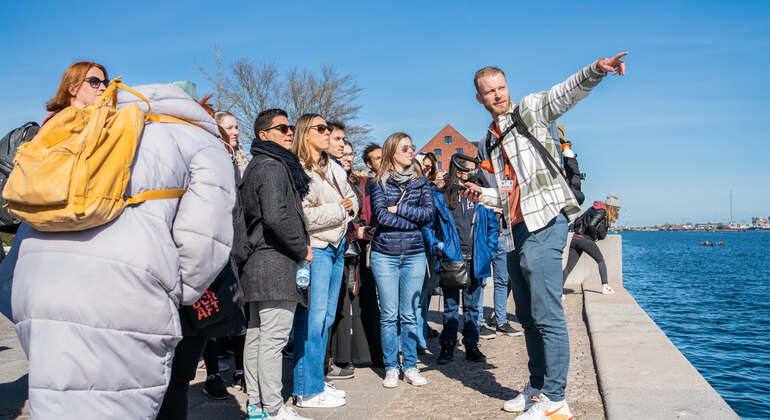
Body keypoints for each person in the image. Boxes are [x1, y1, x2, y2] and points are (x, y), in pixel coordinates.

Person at [8, 62, 236, 419]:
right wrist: (175, 292)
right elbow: (205, 238)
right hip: (128, 293)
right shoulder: (200, 140)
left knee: (54, 401)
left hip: (36, 287)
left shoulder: (84, 128)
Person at [462, 52, 628, 419]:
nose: (497, 95)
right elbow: (506, 193)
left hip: (546, 222)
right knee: (527, 314)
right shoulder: (488, 141)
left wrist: (596, 70)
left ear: (508, 87)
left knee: (547, 312)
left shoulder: (530, 110)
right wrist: (481, 195)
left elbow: (565, 92)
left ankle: (555, 400)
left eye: (501, 87)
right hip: (514, 228)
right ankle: (537, 387)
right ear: (480, 98)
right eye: (489, 92)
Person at [239, 108, 313, 419]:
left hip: (259, 262)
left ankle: (256, 405)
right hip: (275, 263)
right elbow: (276, 216)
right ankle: (272, 407)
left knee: (257, 337)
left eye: (291, 127)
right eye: (281, 128)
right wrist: (302, 249)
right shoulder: (272, 166)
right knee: (272, 340)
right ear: (263, 135)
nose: (289, 132)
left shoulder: (258, 164)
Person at [292, 113, 359, 408]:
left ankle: (317, 381)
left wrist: (344, 208)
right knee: (312, 320)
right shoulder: (300, 169)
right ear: (306, 133)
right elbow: (305, 216)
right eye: (321, 129)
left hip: (336, 247)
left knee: (327, 319)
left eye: (328, 129)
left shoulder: (333, 167)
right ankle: (306, 389)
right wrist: (339, 210)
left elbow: (353, 200)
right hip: (316, 248)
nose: (327, 133)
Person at [370, 132, 434, 388]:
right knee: (388, 315)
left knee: (409, 314)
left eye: (412, 146)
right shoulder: (378, 182)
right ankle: (390, 367)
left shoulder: (420, 182)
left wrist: (401, 209)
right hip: (384, 254)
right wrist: (411, 221)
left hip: (414, 254)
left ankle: (410, 366)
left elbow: (428, 215)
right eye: (405, 147)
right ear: (392, 152)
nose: (411, 151)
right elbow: (381, 217)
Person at [422, 157, 499, 365]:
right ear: (457, 170)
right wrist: (439, 247)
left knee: (474, 307)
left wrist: (489, 249)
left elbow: (493, 226)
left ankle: (471, 345)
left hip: (476, 258)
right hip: (451, 260)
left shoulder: (479, 195)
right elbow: (428, 227)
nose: (471, 174)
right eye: (467, 170)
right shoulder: (441, 196)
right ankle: (447, 346)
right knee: (450, 306)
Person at [476, 134, 523, 339]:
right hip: (486, 228)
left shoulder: (507, 170)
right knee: (481, 279)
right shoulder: (481, 166)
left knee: (502, 279)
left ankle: (501, 320)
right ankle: (477, 321)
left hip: (504, 228)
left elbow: (509, 192)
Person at [563, 194, 622, 295]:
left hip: (576, 238)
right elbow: (591, 225)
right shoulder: (602, 211)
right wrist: (594, 237)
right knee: (600, 260)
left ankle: (557, 291)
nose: (618, 211)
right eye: (617, 209)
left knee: (568, 267)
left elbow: (579, 220)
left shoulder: (593, 208)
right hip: (585, 240)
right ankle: (605, 286)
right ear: (612, 207)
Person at [215, 110, 250, 176]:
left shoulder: (241, 160)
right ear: (217, 130)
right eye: (229, 128)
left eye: (236, 128)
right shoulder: (210, 160)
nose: (236, 132)